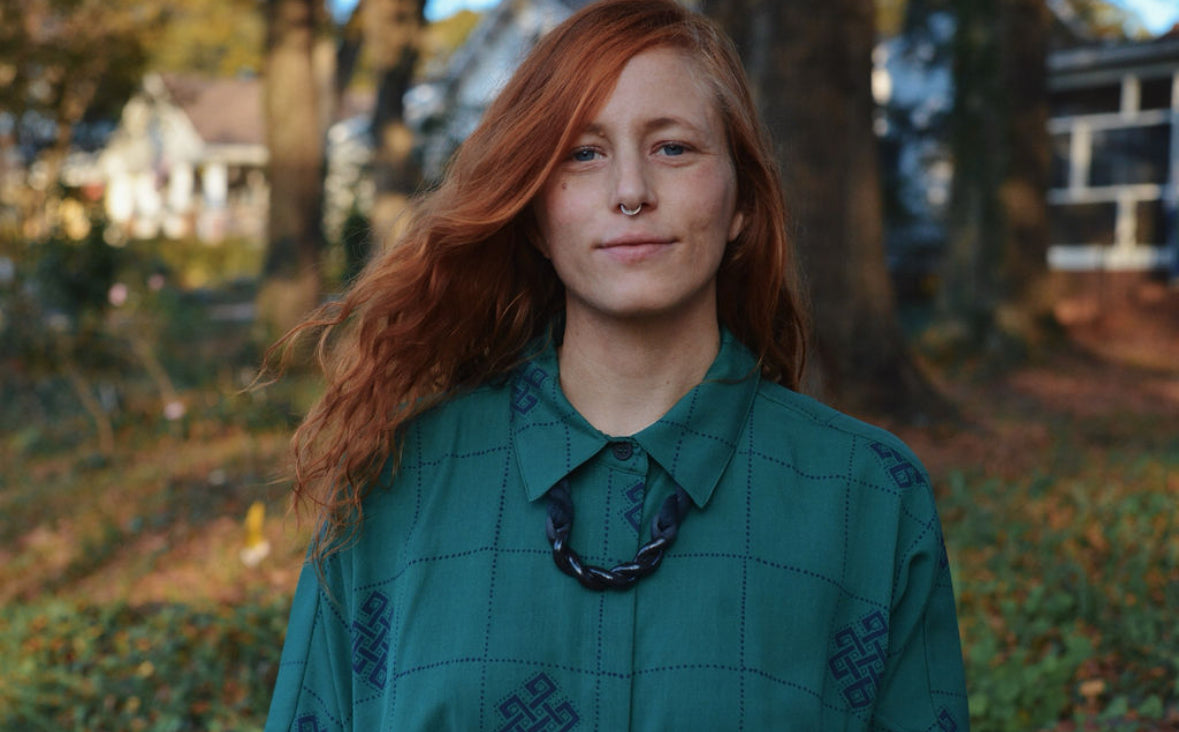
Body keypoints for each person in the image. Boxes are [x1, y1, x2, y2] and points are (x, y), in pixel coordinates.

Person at [264, 0, 969, 729]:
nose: (630, 191)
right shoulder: (391, 485)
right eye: (582, 154)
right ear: (535, 212)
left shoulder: (869, 498)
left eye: (673, 148)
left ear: (741, 206)